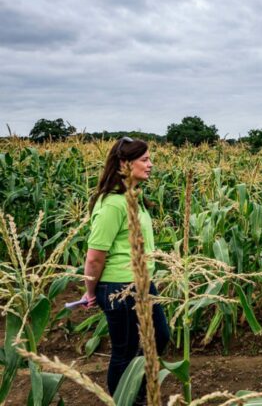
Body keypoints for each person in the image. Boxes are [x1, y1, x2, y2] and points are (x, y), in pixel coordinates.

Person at [82, 137, 170, 402]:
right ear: (124, 164)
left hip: (142, 283)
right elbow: (95, 256)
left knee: (160, 337)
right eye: (144, 160)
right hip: (118, 287)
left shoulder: (132, 198)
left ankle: (137, 390)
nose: (150, 165)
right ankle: (125, 400)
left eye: (149, 159)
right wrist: (90, 292)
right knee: (125, 350)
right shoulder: (112, 204)